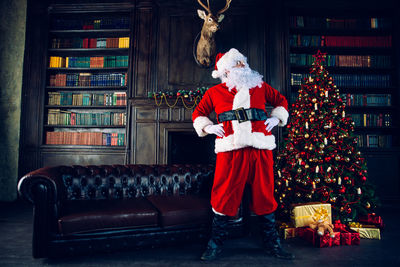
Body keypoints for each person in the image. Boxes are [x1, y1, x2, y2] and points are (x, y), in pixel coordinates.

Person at [192, 48, 294, 261]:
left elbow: (281, 102)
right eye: (237, 63)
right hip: (230, 152)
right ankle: (215, 243)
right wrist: (208, 128)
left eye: (242, 62)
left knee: (265, 195)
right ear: (226, 70)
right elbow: (199, 113)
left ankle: (272, 243)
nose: (242, 66)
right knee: (223, 195)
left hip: (260, 149)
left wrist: (276, 119)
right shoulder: (214, 93)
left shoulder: (260, 86)